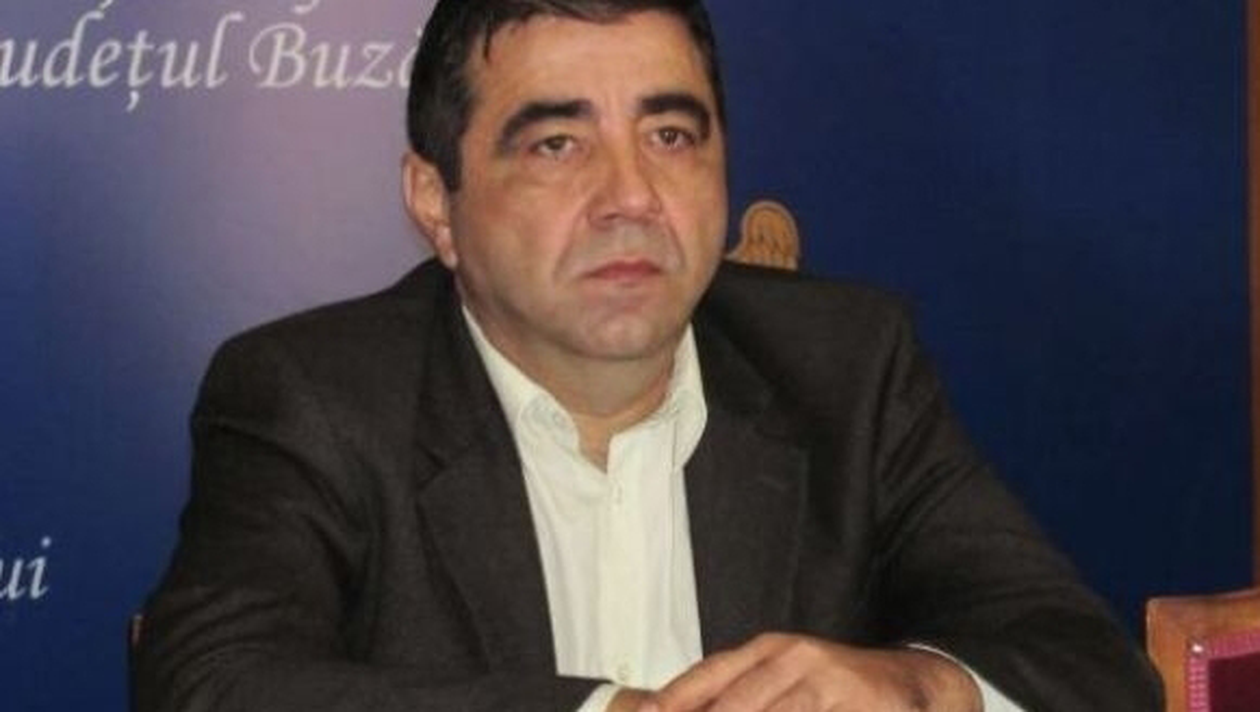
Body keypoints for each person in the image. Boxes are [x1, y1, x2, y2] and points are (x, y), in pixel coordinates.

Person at [133, 1, 1162, 710]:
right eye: (557, 143)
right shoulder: (314, 396)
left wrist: (920, 689)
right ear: (437, 203)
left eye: (671, 135)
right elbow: (214, 684)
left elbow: (1091, 666)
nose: (630, 196)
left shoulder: (848, 368)